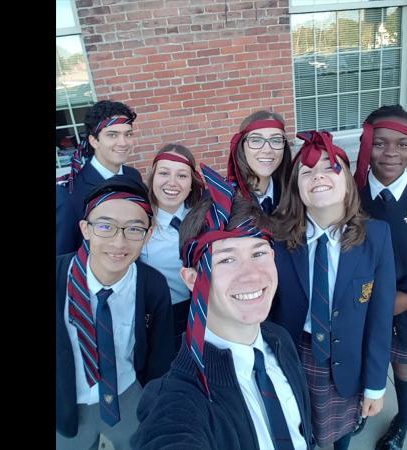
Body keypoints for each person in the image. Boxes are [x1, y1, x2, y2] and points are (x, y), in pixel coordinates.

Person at [132, 165, 313, 450]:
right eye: (227, 259)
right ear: (192, 279)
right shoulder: (180, 397)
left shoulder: (280, 340)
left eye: (259, 253)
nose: (252, 275)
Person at [268, 130, 396, 450]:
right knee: (301, 426)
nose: (318, 176)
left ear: (348, 181)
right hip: (298, 354)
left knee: (341, 432)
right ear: (296, 187)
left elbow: (380, 319)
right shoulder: (278, 241)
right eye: (307, 172)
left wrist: (376, 385)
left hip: (349, 359)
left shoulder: (377, 237)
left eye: (330, 167)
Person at [56, 175, 175, 450]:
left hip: (128, 392)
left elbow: (161, 357)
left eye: (134, 229)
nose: (119, 242)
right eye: (105, 226)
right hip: (67, 401)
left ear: (148, 234)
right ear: (85, 229)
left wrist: (154, 404)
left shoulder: (152, 286)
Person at [353, 105, 407, 450]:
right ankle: (361, 409)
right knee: (355, 358)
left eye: (402, 144)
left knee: (403, 364)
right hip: (356, 302)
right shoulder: (349, 194)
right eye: (380, 144)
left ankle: (402, 421)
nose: (391, 154)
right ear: (367, 145)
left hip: (405, 304)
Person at [57, 100, 143, 255]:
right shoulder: (69, 194)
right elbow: (63, 257)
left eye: (128, 134)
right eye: (112, 135)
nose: (123, 143)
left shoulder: (134, 176)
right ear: (94, 141)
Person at [140, 143, 205, 349]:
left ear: (192, 183)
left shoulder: (207, 218)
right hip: (165, 319)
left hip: (208, 312)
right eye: (164, 173)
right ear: (152, 178)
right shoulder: (140, 224)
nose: (172, 182)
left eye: (182, 176)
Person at [226, 110, 290, 215]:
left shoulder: (295, 195)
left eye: (276, 140)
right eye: (256, 140)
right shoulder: (223, 201)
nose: (267, 150)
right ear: (241, 146)